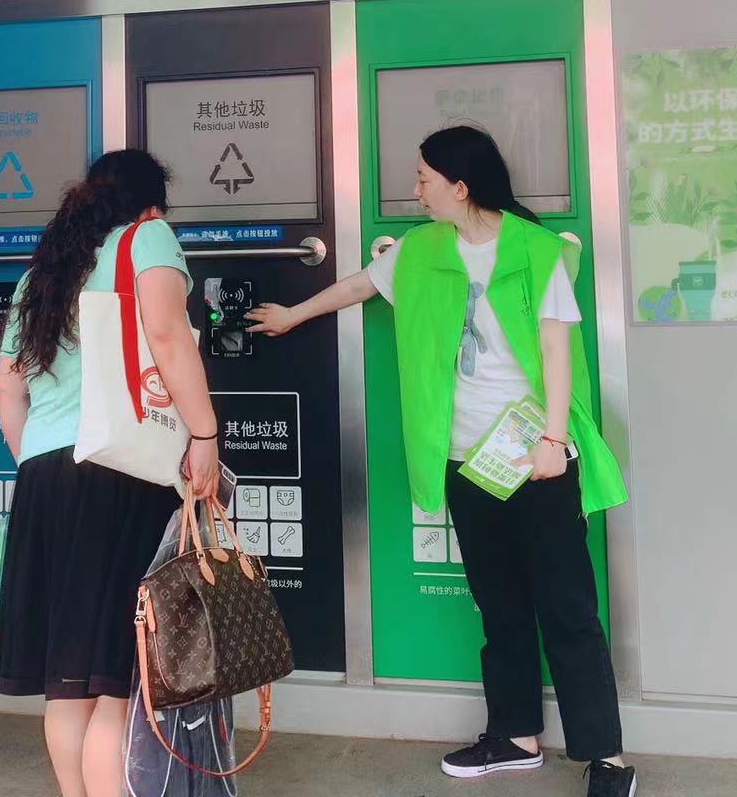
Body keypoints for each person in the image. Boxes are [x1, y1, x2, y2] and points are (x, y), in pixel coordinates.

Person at [248, 126, 634, 797]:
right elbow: (358, 287)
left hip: (535, 455)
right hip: (466, 458)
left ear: (460, 186)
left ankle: (607, 757)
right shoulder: (422, 250)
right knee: (499, 603)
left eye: (424, 179)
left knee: (567, 607)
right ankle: (515, 736)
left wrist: (552, 441)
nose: (416, 190)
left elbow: (556, 350)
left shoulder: (536, 250)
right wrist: (293, 314)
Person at [0, 149, 220, 797]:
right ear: (150, 206)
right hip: (119, 470)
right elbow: (167, 335)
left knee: (68, 681)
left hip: (45, 476)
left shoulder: (44, 273)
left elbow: (7, 389)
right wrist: (205, 434)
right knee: (116, 680)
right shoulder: (148, 239)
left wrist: (39, 461)